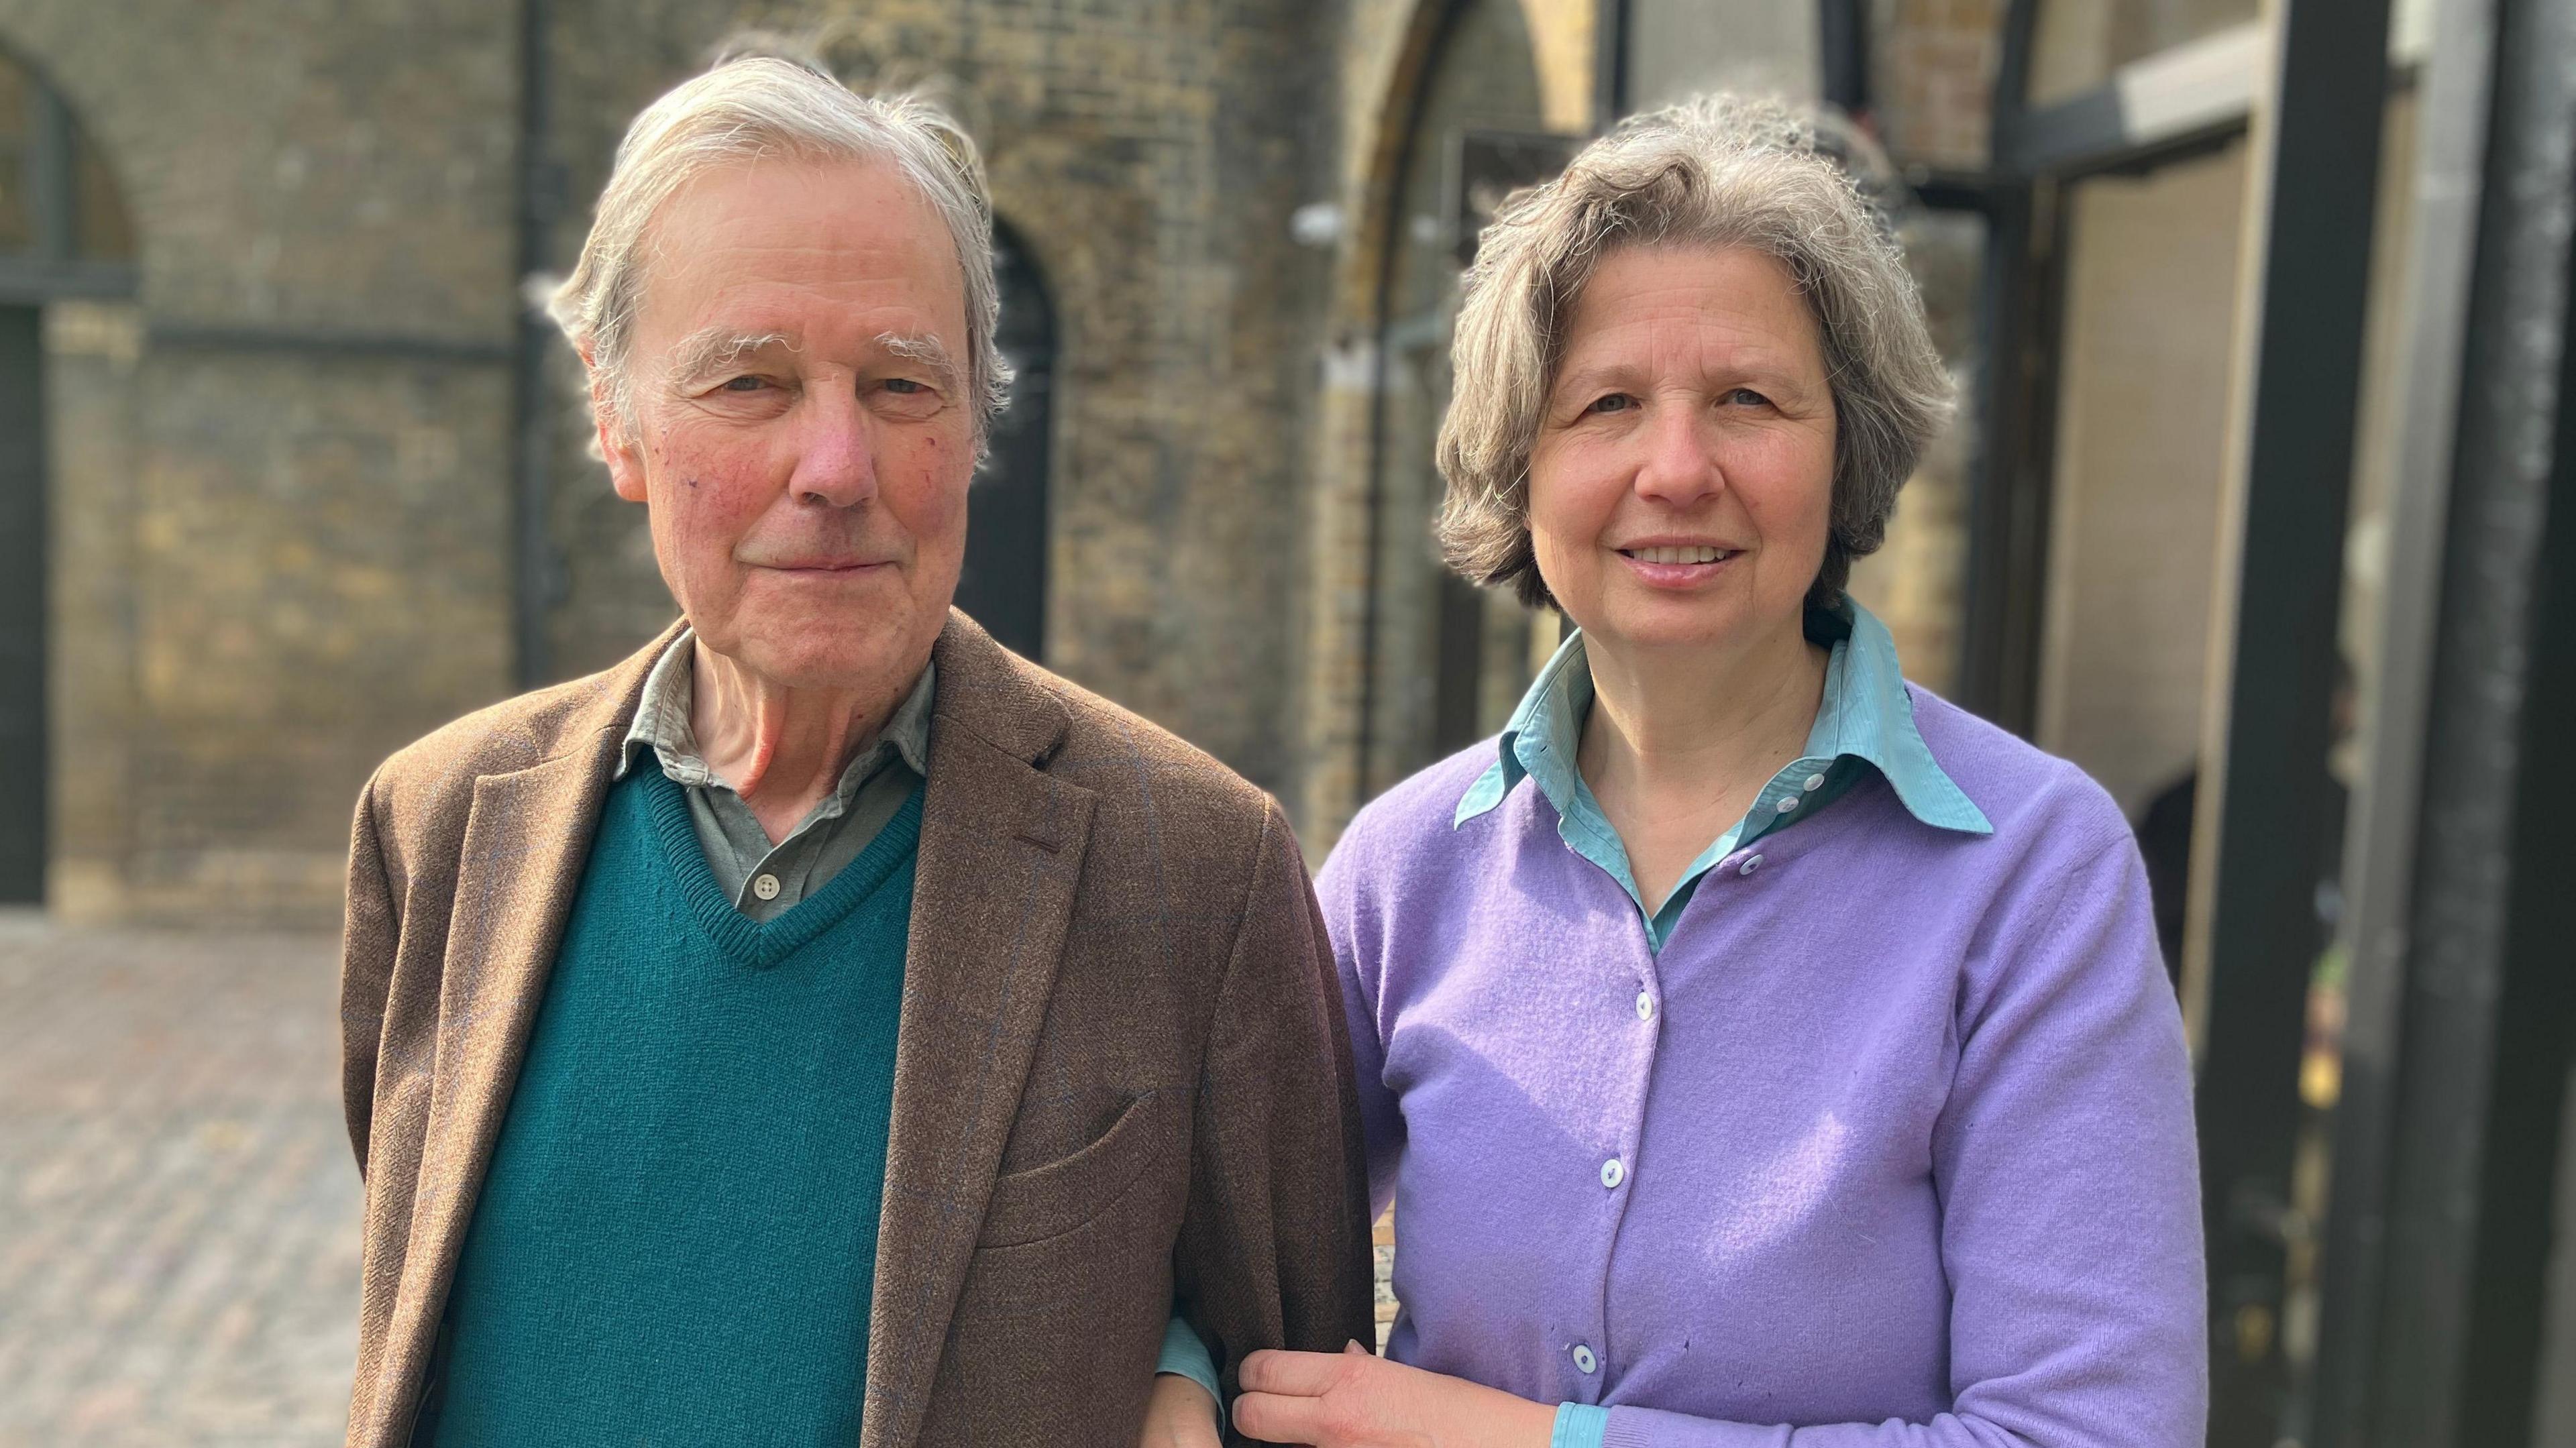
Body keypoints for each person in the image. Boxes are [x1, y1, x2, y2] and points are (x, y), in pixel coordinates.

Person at [335, 53, 1372, 1447]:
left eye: (899, 385)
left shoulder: (1195, 867)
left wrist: (1180, 1378)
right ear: (613, 412)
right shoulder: (443, 827)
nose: (835, 465)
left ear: (974, 416)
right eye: (751, 383)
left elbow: (1302, 1391)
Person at [1146, 97, 2204, 1447]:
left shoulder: (2036, 872)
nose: (1678, 469)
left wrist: (1526, 1440)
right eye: (1607, 406)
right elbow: (1207, 1231)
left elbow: (2095, 1434)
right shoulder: (1406, 868)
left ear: (1849, 449)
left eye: (1749, 401)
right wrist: (1177, 1373)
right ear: (1520, 464)